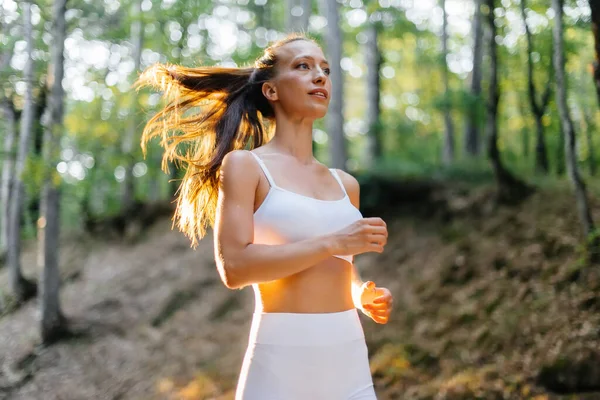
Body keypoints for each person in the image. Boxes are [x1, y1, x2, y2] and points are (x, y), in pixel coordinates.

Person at [137, 33, 393, 400]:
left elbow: (336, 268)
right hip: (280, 365)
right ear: (271, 91)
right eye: (303, 66)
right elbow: (236, 267)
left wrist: (360, 294)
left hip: (348, 360)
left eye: (325, 69)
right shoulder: (246, 166)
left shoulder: (345, 184)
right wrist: (335, 241)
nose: (320, 76)